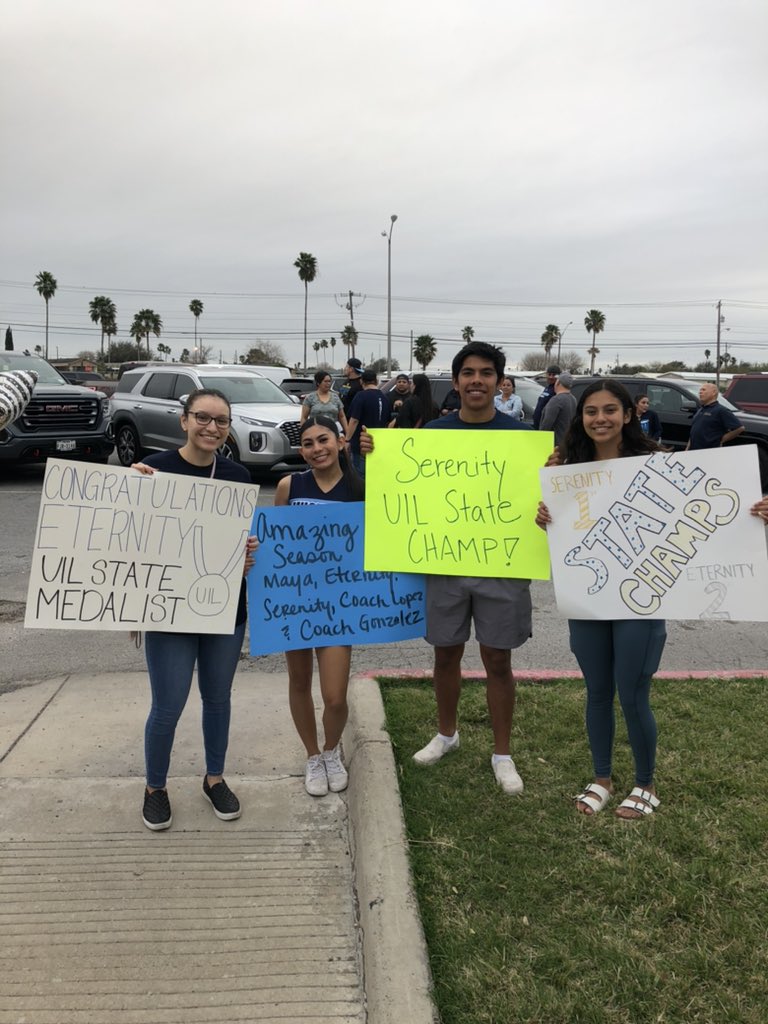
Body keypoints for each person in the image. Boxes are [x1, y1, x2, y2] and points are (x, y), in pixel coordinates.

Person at [360, 341, 533, 795]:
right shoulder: (432, 433)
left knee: (498, 659)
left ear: (499, 382)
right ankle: (447, 734)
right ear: (455, 382)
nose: (477, 380)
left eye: (487, 373)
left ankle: (502, 753)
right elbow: (395, 487)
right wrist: (375, 451)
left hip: (502, 564)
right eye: (469, 373)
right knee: (445, 654)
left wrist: (549, 477)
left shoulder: (524, 438)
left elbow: (542, 503)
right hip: (443, 562)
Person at [535, 380, 665, 820]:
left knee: (632, 693)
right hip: (588, 596)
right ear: (581, 418)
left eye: (611, 410)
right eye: (591, 412)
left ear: (628, 415)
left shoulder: (657, 465)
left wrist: (755, 508)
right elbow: (562, 533)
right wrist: (545, 516)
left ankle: (645, 784)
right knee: (596, 692)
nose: (601, 419)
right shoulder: (567, 469)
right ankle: (603, 777)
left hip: (639, 599)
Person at [132, 388, 257, 832]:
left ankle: (215, 777)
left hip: (225, 607)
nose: (212, 427)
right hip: (169, 610)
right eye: (202, 417)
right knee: (167, 706)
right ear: (184, 420)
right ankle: (155, 788)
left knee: (218, 699)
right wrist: (127, 489)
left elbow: (238, 538)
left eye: (221, 421)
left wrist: (247, 551)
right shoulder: (153, 470)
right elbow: (129, 540)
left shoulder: (238, 475)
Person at [274, 415, 365, 797]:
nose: (317, 449)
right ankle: (312, 755)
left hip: (339, 605)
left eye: (324, 440)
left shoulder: (361, 487)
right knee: (299, 682)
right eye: (308, 444)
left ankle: (331, 750)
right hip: (295, 600)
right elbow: (272, 542)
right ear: (301, 451)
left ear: (341, 441)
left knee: (335, 696)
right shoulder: (289, 485)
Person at [346, 369, 391, 475]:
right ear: (376, 381)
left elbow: (354, 420)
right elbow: (388, 422)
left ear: (362, 381)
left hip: (360, 445)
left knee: (360, 477)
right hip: (379, 444)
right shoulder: (385, 398)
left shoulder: (361, 396)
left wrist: (347, 440)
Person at [686, 382, 745, 451]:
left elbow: (739, 428)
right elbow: (694, 432)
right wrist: (687, 448)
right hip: (694, 451)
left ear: (713, 392)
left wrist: (720, 440)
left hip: (710, 452)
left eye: (703, 390)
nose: (700, 392)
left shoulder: (720, 410)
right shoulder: (700, 410)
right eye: (700, 390)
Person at [301, 369, 348, 434]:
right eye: (325, 381)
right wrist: (303, 433)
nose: (328, 383)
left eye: (329, 381)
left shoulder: (335, 397)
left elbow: (342, 416)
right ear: (318, 383)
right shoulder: (310, 398)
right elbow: (304, 417)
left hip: (333, 432)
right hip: (315, 432)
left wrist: (347, 433)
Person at [540, 371, 577, 448]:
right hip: (567, 443)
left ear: (558, 382)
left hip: (555, 445)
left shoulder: (556, 400)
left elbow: (546, 425)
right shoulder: (573, 399)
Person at [532, 364, 561, 429]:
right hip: (538, 424)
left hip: (546, 427)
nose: (551, 377)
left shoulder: (557, 390)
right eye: (549, 374)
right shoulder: (547, 388)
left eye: (553, 375)